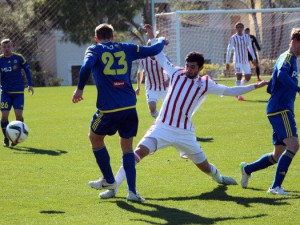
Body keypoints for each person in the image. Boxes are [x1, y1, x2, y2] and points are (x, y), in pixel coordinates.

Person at [95, 24, 268, 201]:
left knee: (205, 166)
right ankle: (114, 188)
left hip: (184, 132)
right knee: (137, 153)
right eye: (187, 66)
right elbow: (159, 56)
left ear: (200, 68)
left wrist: (255, 86)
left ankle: (220, 178)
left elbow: (231, 91)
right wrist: (152, 36)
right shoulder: (176, 73)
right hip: (162, 127)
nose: (188, 69)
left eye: (193, 67)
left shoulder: (206, 83)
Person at [72, 23, 166, 202]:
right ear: (113, 36)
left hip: (109, 109)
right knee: (127, 148)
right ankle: (132, 192)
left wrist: (79, 89)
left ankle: (109, 180)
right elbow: (154, 49)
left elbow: (85, 67)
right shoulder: (127, 48)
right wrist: (162, 40)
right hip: (129, 107)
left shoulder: (95, 49)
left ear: (96, 38)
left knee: (95, 138)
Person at [240, 28, 300, 195]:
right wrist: (298, 89)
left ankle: (247, 169)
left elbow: (275, 82)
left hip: (278, 108)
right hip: (280, 109)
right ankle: (275, 187)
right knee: (294, 145)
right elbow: (281, 75)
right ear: (295, 42)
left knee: (277, 154)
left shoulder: (291, 59)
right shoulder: (287, 57)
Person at [0, 39, 34, 147]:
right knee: (4, 116)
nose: (7, 49)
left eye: (9, 47)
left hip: (18, 92)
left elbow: (27, 70)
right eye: (4, 47)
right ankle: (6, 137)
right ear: (1, 48)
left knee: (18, 115)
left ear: (12, 47)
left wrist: (30, 84)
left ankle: (18, 135)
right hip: (5, 92)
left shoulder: (19, 58)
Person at [136, 40, 169, 118]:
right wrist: (138, 87)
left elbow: (171, 70)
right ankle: (161, 121)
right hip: (151, 87)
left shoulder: (164, 58)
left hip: (164, 87)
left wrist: (169, 80)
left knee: (171, 109)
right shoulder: (143, 59)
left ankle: (166, 123)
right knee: (152, 109)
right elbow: (140, 72)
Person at [226, 22, 257, 101]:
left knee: (248, 77)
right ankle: (239, 95)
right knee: (239, 75)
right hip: (237, 60)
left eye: (241, 27)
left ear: (243, 29)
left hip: (245, 60)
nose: (239, 29)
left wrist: (254, 58)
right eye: (238, 28)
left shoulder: (247, 37)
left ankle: (237, 90)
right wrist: (227, 62)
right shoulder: (233, 38)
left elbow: (250, 47)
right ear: (236, 29)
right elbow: (229, 50)